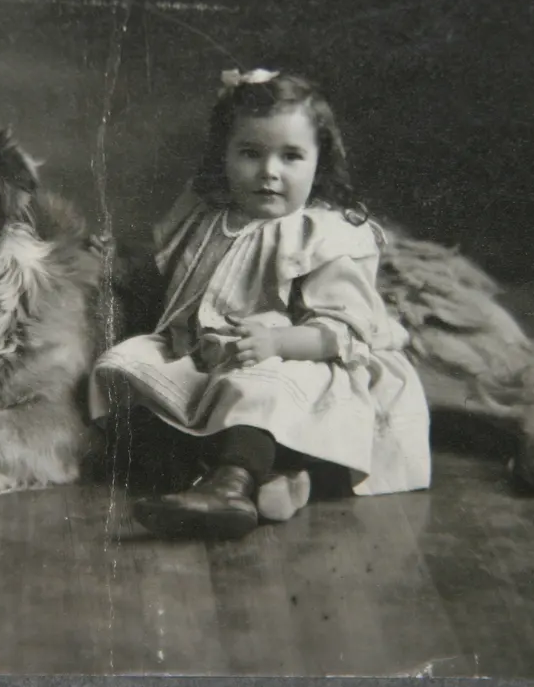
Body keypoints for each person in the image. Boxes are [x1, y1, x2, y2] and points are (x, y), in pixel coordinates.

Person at [89, 68, 431, 540]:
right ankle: (274, 481)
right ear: (224, 156)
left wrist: (277, 341)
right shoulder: (208, 218)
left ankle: (231, 485)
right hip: (205, 358)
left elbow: (341, 332)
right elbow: (169, 276)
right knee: (124, 366)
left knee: (260, 392)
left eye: (291, 156)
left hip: (298, 361)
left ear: (319, 162)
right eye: (251, 153)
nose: (269, 171)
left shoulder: (324, 234)